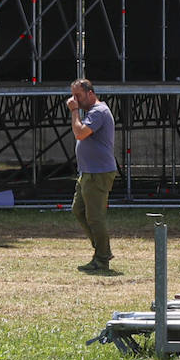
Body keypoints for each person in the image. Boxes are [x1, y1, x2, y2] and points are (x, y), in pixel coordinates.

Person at [68, 78, 117, 272]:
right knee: (78, 210)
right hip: (88, 172)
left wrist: (74, 111)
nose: (75, 100)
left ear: (90, 93)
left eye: (78, 95)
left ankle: (102, 257)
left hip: (99, 173)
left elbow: (80, 133)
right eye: (73, 96)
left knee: (95, 217)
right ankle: (102, 249)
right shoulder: (90, 112)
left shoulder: (98, 112)